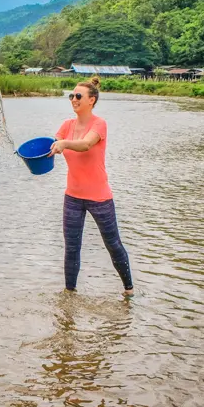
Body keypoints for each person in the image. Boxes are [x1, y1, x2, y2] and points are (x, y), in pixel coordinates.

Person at [49, 76, 134, 297]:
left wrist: (64, 143)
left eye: (78, 96)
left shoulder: (99, 124)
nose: (73, 99)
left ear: (91, 100)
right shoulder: (67, 125)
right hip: (73, 197)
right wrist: (41, 151)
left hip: (99, 198)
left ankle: (129, 291)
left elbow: (86, 144)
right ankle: (69, 296)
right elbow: (51, 144)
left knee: (113, 244)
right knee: (71, 248)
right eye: (71, 96)